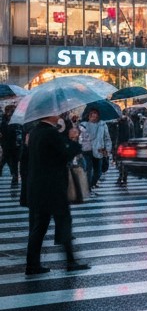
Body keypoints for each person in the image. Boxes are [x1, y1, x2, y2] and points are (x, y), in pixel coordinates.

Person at [25, 115, 89, 276]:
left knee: (39, 227)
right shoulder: (50, 133)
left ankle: (32, 265)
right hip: (53, 187)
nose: (58, 116)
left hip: (38, 187)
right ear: (50, 116)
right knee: (64, 222)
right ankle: (70, 261)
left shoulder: (35, 132)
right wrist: (74, 139)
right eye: (56, 113)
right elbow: (66, 153)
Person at [79, 107, 112, 192]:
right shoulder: (83, 125)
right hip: (86, 150)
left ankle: (91, 184)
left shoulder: (102, 124)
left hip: (98, 150)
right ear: (88, 115)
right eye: (92, 114)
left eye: (95, 114)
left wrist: (107, 150)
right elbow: (79, 138)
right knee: (89, 170)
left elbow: (107, 138)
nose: (94, 116)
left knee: (98, 172)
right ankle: (88, 188)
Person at [1, 103, 22, 192]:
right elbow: (4, 132)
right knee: (8, 161)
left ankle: (15, 178)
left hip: (15, 146)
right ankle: (14, 177)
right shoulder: (4, 121)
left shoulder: (15, 121)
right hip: (8, 145)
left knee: (12, 162)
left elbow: (19, 131)